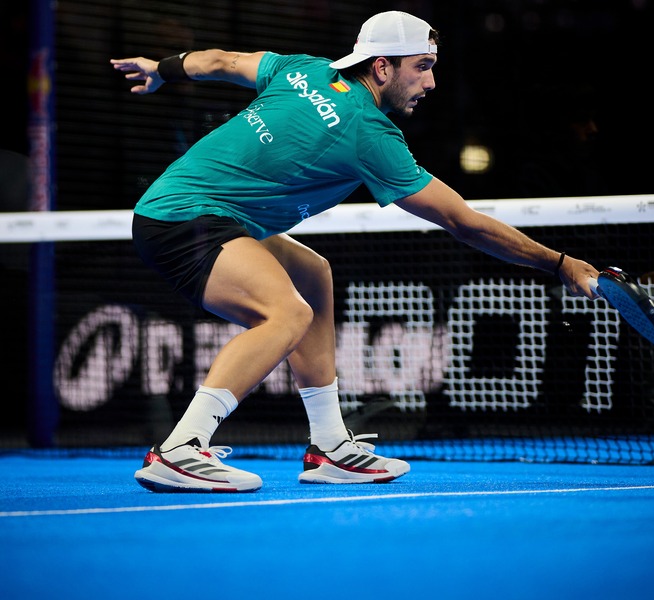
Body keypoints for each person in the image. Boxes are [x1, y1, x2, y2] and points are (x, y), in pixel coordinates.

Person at [111, 10, 599, 493]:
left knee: (312, 275)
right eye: (422, 67)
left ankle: (329, 446)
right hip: (185, 218)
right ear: (382, 67)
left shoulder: (304, 68)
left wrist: (162, 69)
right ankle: (181, 448)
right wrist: (558, 263)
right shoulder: (369, 133)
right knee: (285, 314)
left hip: (182, 207)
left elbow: (220, 61)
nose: (431, 82)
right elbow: (462, 222)